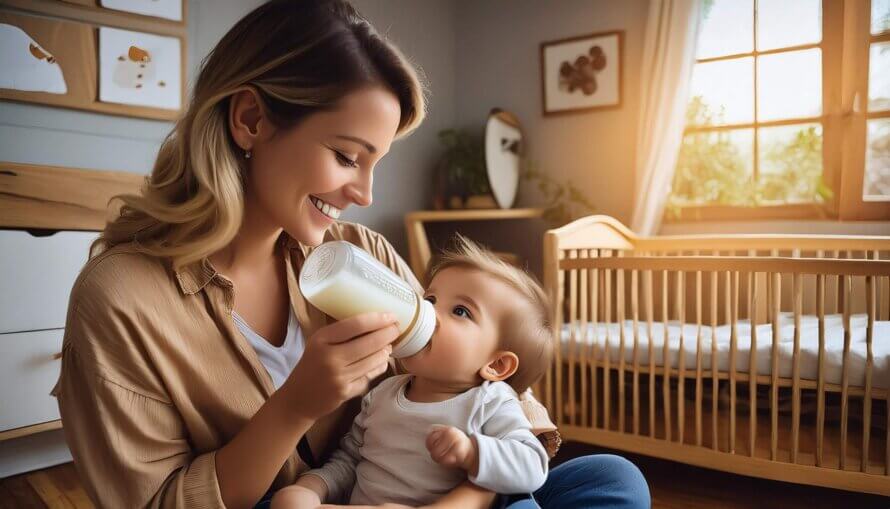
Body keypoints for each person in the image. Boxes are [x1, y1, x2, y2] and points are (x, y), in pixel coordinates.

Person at [52, 1, 650, 508]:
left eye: (375, 162)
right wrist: (294, 407)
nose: (366, 195)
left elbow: (491, 383)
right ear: (251, 119)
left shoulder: (356, 252)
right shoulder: (123, 298)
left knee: (612, 478)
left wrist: (467, 494)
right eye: (346, 156)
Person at [272, 235, 551, 507]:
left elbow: (533, 464)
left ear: (496, 365)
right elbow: (350, 462)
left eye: (461, 311)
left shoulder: (490, 402)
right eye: (429, 299)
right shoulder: (382, 395)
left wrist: (472, 452)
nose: (427, 313)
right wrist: (311, 488)